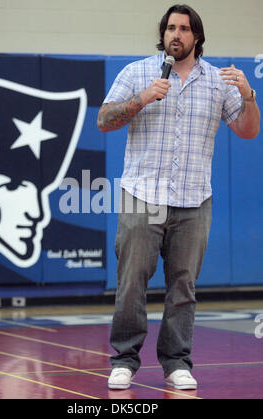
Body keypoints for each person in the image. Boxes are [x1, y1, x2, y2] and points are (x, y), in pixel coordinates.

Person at [97, 4, 260, 390]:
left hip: (193, 199)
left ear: (197, 37)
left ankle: (176, 362)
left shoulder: (220, 81)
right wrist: (141, 98)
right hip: (142, 196)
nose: (176, 34)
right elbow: (104, 120)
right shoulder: (136, 72)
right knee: (131, 282)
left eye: (184, 29)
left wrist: (249, 95)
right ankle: (124, 360)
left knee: (183, 286)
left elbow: (247, 131)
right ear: (163, 33)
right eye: (170, 27)